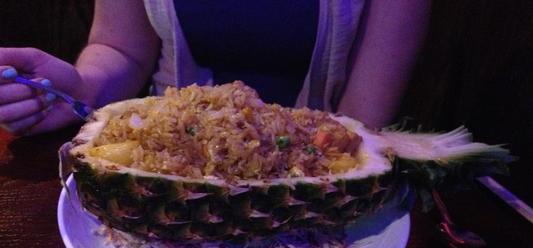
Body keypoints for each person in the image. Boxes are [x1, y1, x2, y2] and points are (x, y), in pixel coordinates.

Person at [0, 0, 431, 135]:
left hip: (313, 171)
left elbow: (359, 124)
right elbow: (121, 48)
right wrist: (83, 89)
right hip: (165, 157)